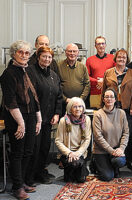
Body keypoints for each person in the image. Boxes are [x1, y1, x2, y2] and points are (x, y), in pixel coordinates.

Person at [0, 40, 41, 199]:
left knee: (28, 151)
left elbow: (34, 96)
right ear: (14, 54)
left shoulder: (28, 70)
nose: (24, 55)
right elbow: (10, 102)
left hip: (30, 115)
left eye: (27, 53)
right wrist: (21, 124)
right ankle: (17, 187)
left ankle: (22, 181)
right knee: (18, 152)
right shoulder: (8, 73)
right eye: (21, 52)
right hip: (16, 118)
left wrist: (38, 118)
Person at [26, 46, 63, 186]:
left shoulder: (53, 75)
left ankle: (40, 172)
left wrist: (57, 113)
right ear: (38, 56)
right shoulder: (30, 72)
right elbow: (30, 95)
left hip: (48, 119)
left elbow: (59, 96)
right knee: (33, 148)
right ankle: (28, 177)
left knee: (44, 147)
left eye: (49, 57)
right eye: (44, 56)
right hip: (34, 118)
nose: (47, 59)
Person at [102, 49, 132, 172]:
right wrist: (102, 106)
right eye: (119, 57)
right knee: (113, 133)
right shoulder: (108, 72)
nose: (121, 59)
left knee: (127, 134)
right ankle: (113, 159)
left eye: (124, 57)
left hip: (127, 108)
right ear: (115, 59)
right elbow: (104, 90)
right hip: (112, 108)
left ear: (127, 59)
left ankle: (129, 160)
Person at [92, 88, 129, 181]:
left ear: (115, 99)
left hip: (116, 150)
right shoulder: (98, 115)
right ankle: (95, 163)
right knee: (107, 177)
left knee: (120, 161)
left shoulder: (121, 113)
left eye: (111, 97)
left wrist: (121, 149)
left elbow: (126, 132)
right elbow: (98, 137)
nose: (109, 99)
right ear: (103, 99)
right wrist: (111, 151)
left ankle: (114, 166)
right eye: (106, 97)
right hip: (101, 151)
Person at [55, 97, 91, 182]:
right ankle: (75, 169)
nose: (78, 109)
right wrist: (69, 153)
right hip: (67, 153)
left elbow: (87, 139)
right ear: (70, 108)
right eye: (75, 107)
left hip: (80, 152)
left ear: (83, 108)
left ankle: (82, 170)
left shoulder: (87, 120)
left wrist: (78, 153)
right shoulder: (63, 121)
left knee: (81, 180)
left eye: (80, 106)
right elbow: (58, 141)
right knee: (69, 179)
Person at [57, 43, 90, 112]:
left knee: (78, 122)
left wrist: (80, 99)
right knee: (65, 122)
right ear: (66, 52)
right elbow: (56, 86)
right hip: (64, 104)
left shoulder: (83, 67)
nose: (72, 53)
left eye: (74, 51)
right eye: (70, 51)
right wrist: (65, 99)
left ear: (78, 53)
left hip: (80, 105)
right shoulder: (58, 66)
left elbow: (87, 84)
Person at [86, 36, 115, 108]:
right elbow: (86, 76)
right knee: (95, 114)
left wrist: (104, 81)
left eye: (103, 43)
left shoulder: (112, 58)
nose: (101, 46)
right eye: (98, 44)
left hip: (110, 93)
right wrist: (97, 81)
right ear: (95, 46)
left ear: (106, 45)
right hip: (95, 92)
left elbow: (116, 73)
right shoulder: (89, 60)